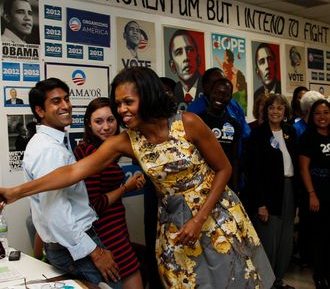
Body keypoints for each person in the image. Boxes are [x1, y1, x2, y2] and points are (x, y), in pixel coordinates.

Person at [0, 67, 274, 289]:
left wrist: (199, 218)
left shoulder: (187, 123)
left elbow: (224, 169)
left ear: (148, 96)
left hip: (215, 215)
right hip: (174, 225)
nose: (121, 110)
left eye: (128, 102)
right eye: (118, 103)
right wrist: (17, 191)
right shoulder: (126, 141)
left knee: (231, 280)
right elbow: (73, 171)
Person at [18, 78, 121, 287]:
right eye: (56, 101)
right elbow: (56, 213)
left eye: (66, 99)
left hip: (69, 245)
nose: (66, 106)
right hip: (74, 247)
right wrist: (95, 252)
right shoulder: (49, 150)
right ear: (40, 111)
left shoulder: (49, 143)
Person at [74, 97, 144, 289]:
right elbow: (94, 205)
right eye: (99, 121)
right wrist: (125, 188)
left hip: (116, 231)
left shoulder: (106, 150)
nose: (106, 127)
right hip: (106, 235)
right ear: (88, 123)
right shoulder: (89, 152)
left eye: (111, 120)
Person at [245, 94, 297, 289]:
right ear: (266, 110)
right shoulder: (257, 135)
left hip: (289, 190)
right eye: (272, 108)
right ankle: (265, 283)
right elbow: (253, 172)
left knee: (285, 240)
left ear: (285, 111)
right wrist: (261, 203)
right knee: (269, 241)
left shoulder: (290, 132)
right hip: (267, 194)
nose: (276, 111)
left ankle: (278, 281)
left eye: (280, 108)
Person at [298, 99, 330, 289]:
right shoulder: (307, 138)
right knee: (319, 235)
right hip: (317, 193)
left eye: (326, 112)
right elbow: (303, 169)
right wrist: (312, 194)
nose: (322, 117)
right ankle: (320, 274)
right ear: (312, 116)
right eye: (317, 113)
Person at [187, 67, 251, 143]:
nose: (222, 85)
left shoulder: (234, 105)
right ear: (205, 86)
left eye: (224, 81)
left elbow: (246, 134)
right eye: (217, 82)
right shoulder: (194, 110)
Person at [198, 78, 240, 191]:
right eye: (216, 92)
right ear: (209, 93)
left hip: (226, 182)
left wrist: (235, 187)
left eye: (225, 94)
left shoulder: (234, 124)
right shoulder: (197, 120)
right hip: (201, 181)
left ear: (230, 97)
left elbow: (235, 158)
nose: (220, 97)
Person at [168, 29, 203, 110]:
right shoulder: (172, 93)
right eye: (179, 52)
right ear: (172, 65)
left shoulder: (208, 90)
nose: (186, 58)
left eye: (189, 50)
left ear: (198, 59)